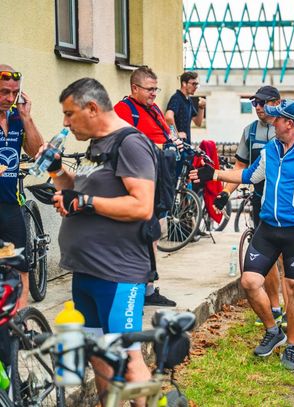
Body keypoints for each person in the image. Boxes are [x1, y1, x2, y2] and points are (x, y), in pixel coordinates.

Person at [190, 99, 294, 371]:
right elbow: (249, 175)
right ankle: (273, 330)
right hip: (268, 227)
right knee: (249, 282)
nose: (272, 122)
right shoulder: (271, 149)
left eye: (276, 119)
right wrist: (214, 175)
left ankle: (291, 346)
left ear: (289, 124)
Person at [50, 78, 155, 405]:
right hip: (86, 272)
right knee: (99, 356)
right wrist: (57, 171)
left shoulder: (130, 143)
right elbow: (80, 188)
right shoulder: (97, 143)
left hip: (118, 274)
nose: (66, 122)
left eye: (70, 114)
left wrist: (85, 203)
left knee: (128, 357)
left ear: (92, 108)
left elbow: (142, 206)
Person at [213, 85, 289, 325]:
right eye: (255, 103)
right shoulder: (250, 132)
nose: (257, 107)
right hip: (260, 201)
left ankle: (291, 310)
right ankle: (275, 308)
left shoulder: (288, 128)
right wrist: (225, 193)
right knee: (269, 257)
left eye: (263, 103)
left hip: (286, 201)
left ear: (277, 103)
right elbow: (240, 168)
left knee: (286, 258)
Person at [114, 66, 177, 307]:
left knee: (153, 233)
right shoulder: (124, 110)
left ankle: (147, 289)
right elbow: (121, 143)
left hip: (158, 177)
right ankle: (135, 291)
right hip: (138, 180)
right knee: (137, 236)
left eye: (155, 89)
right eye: (149, 89)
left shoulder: (154, 109)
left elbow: (166, 134)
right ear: (135, 88)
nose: (153, 94)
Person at [0, 65, 44, 308]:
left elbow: (37, 151)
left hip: (10, 206)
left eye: (14, 92)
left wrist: (27, 118)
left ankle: (19, 321)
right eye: (4, 92)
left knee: (18, 266)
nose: (10, 98)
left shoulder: (17, 118)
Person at [165, 71, 205, 145]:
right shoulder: (177, 98)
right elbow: (168, 117)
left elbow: (198, 123)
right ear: (184, 83)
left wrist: (201, 107)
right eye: (193, 84)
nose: (195, 87)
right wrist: (176, 135)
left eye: (196, 84)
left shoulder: (188, 100)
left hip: (186, 145)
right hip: (178, 147)